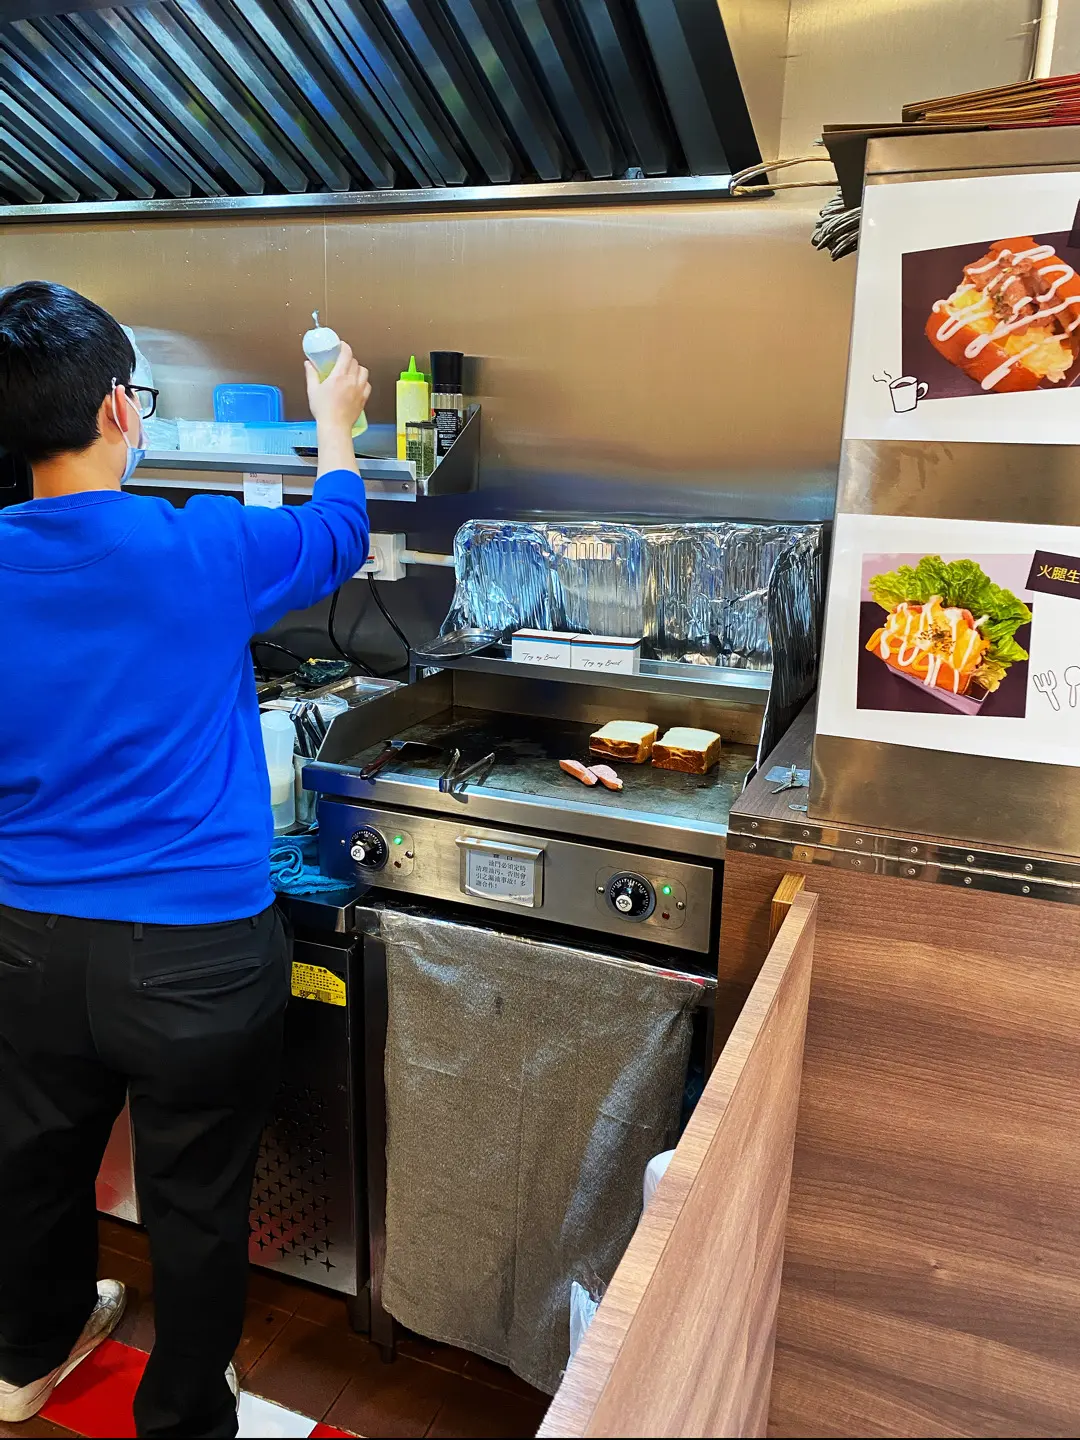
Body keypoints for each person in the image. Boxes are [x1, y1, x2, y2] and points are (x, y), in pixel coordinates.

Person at [0, 281, 370, 1438]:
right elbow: (341, 533)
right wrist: (337, 420)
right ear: (121, 408)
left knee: (31, 1166)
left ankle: (23, 1360)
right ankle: (184, 1422)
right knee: (196, 1202)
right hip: (198, 958)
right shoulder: (202, 544)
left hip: (25, 946)